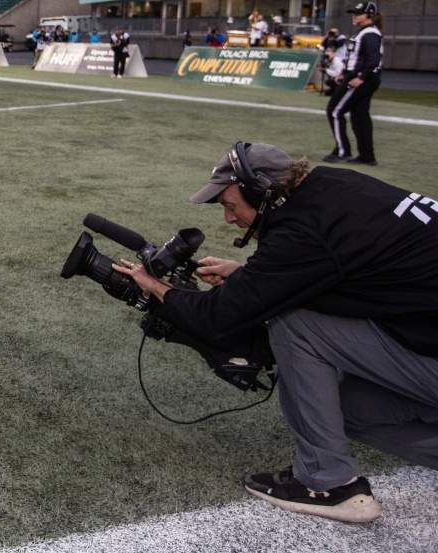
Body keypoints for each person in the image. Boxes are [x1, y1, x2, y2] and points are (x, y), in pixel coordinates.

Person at [113, 142, 438, 524]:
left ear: (261, 193)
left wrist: (155, 287)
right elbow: (344, 270)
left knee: (295, 322)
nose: (228, 219)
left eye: (230, 205)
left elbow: (217, 317)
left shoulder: (305, 230)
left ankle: (329, 483)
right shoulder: (333, 186)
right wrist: (248, 275)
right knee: (347, 408)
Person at [324, 2, 382, 165]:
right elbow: (358, 58)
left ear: (369, 15)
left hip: (362, 78)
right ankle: (367, 156)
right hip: (362, 76)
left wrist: (361, 77)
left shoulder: (369, 33)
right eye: (353, 13)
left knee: (334, 111)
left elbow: (373, 59)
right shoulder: (366, 32)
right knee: (360, 116)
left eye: (358, 13)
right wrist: (344, 74)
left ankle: (342, 151)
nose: (354, 16)